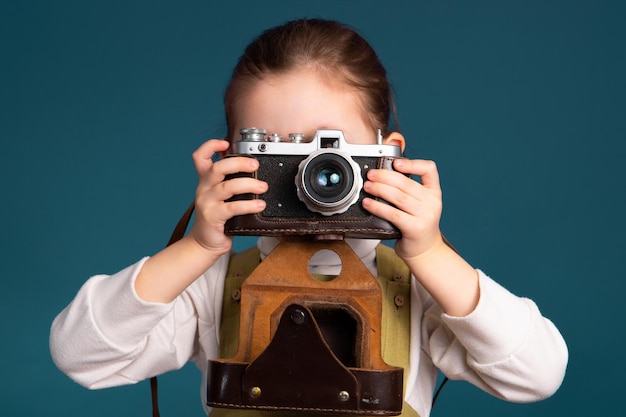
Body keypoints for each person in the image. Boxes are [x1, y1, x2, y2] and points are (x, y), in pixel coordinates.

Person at [50, 18, 568, 417]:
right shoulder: (212, 285)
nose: (308, 172)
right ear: (231, 157)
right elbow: (81, 355)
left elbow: (537, 374)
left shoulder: (419, 285)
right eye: (274, 149)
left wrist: (430, 253)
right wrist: (197, 248)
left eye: (330, 149)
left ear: (388, 156)